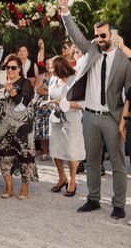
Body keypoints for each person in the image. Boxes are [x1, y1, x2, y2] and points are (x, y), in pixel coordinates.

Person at [59, 0, 131, 219]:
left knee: (118, 164)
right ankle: (93, 199)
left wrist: (124, 120)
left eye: (103, 35)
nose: (99, 39)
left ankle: (118, 204)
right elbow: (74, 33)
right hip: (89, 116)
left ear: (112, 35)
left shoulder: (123, 59)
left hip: (112, 116)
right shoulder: (91, 50)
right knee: (91, 161)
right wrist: (65, 9)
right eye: (97, 35)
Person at [0, 54, 38, 199]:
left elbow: (24, 102)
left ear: (19, 68)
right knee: (4, 157)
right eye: (7, 67)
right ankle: (9, 188)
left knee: (25, 158)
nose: (10, 70)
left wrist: (12, 92)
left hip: (23, 128)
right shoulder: (2, 85)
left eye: (13, 67)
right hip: (4, 128)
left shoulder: (26, 83)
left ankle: (24, 188)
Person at [47, 56, 84, 197]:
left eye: (53, 68)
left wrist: (63, 103)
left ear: (61, 68)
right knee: (55, 149)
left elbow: (82, 104)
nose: (50, 70)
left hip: (71, 118)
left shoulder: (75, 79)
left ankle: (73, 181)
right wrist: (49, 103)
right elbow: (50, 97)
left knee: (71, 151)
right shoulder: (53, 79)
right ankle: (62, 178)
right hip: (55, 118)